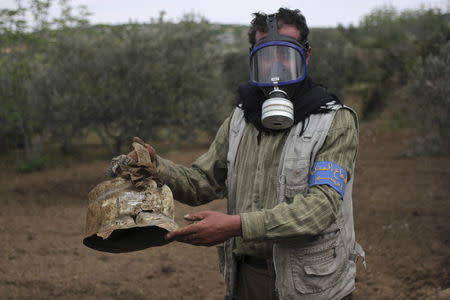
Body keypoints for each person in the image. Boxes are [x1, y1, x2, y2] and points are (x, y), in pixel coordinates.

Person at [128, 8, 364, 300]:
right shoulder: (242, 116)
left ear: (306, 55)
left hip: (312, 287)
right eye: (267, 53)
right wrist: (156, 166)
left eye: (286, 52)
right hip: (246, 280)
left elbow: (321, 208)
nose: (276, 62)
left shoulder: (333, 120)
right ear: (254, 57)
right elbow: (203, 181)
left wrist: (236, 226)